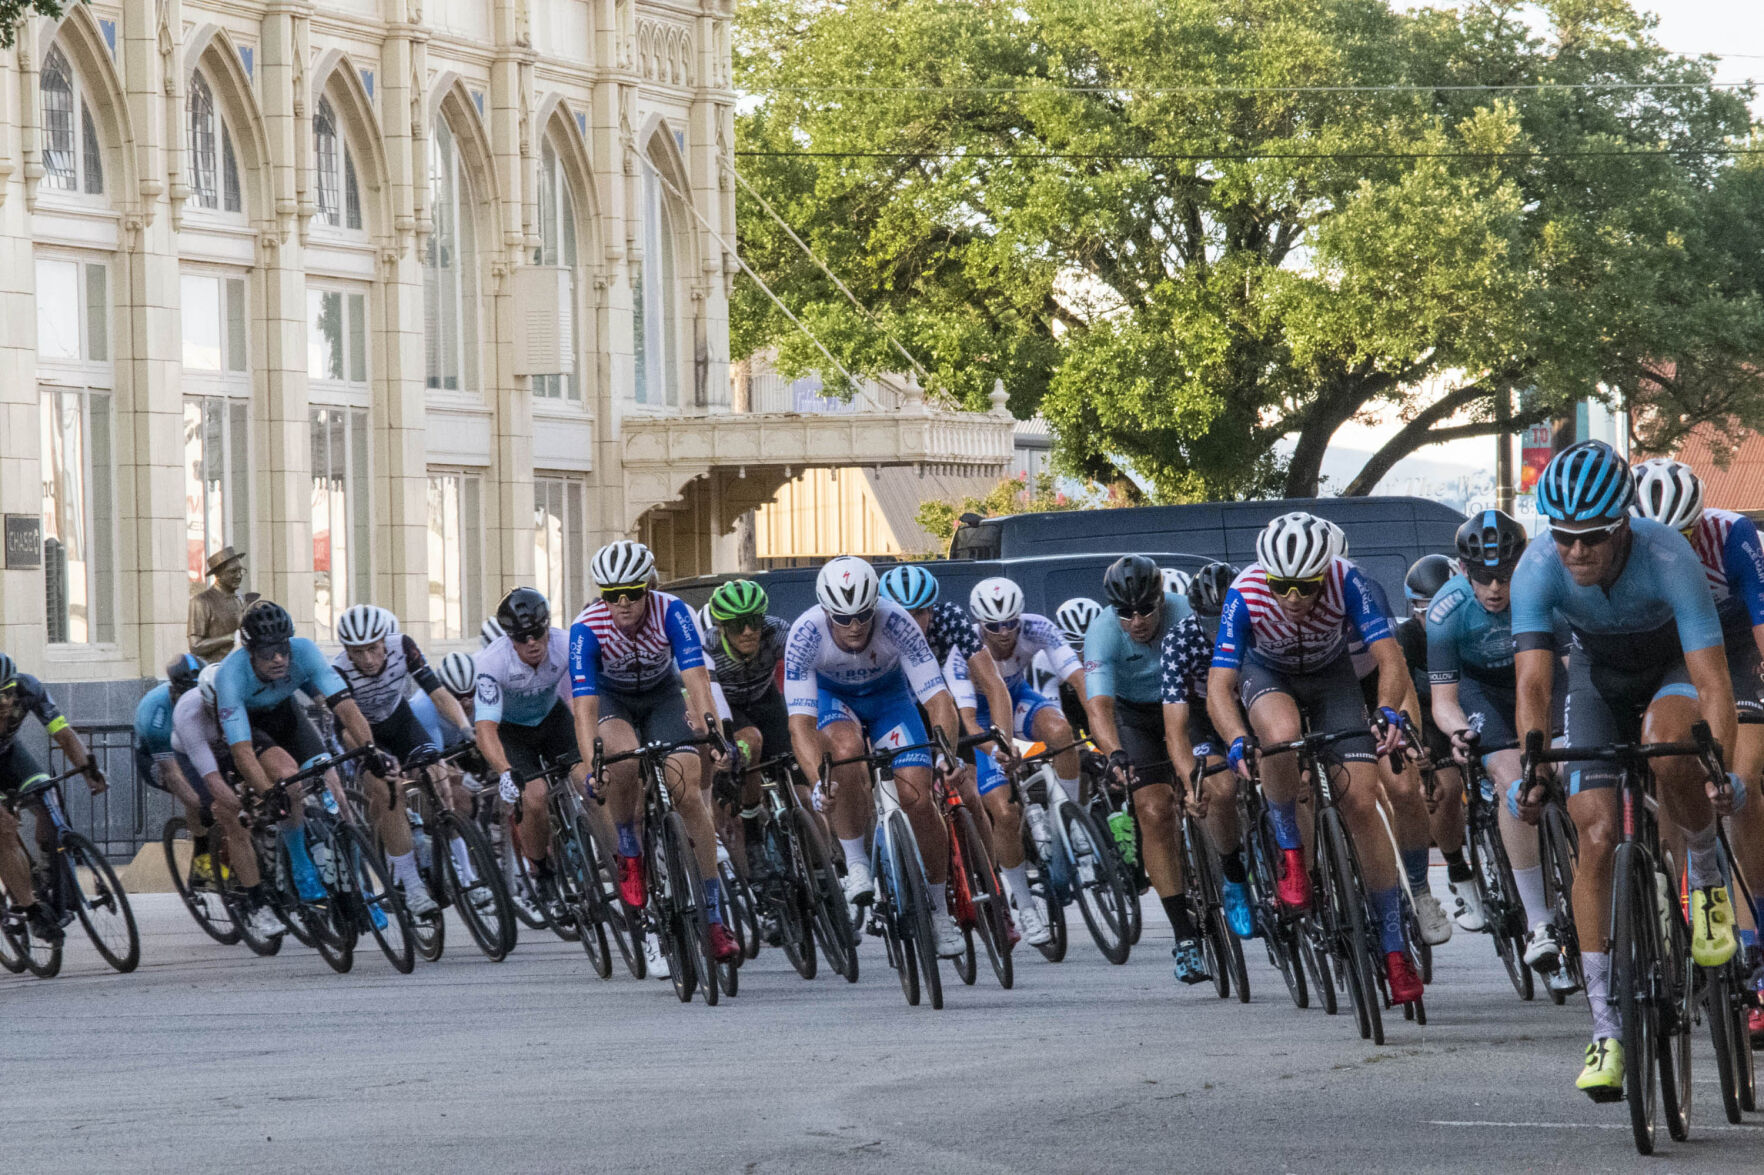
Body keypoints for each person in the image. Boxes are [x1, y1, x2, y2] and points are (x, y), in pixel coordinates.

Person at [1510, 440, 1741, 1100]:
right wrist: (1532, 762)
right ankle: (1607, 1028)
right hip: (1597, 678)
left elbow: (1713, 680)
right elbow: (1533, 682)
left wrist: (1715, 764)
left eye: (1592, 538)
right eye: (1564, 538)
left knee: (1670, 742)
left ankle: (1706, 874)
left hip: (1671, 670)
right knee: (1597, 835)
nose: (1576, 552)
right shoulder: (1537, 568)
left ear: (1623, 525)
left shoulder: (1669, 554)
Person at [1205, 513, 1425, 1005]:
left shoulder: (1352, 582)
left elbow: (1391, 660)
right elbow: (1220, 686)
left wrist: (1387, 709)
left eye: (1306, 586)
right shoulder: (1245, 592)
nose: (1294, 598)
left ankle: (1393, 947)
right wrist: (1238, 737)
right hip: (1268, 676)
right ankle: (1290, 850)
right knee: (1280, 735)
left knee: (1362, 805)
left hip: (1332, 677)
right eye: (1283, 586)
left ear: (1326, 571)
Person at [1630, 457, 1764, 1032]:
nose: (1674, 546)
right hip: (1661, 653)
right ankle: (1667, 912)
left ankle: (1755, 948)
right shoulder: (1618, 547)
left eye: (1683, 533)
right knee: (1663, 766)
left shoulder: (1732, 533)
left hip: (1732, 647)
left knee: (1741, 783)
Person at [786, 556, 969, 958]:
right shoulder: (805, 634)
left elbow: (938, 699)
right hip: (834, 700)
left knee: (920, 802)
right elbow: (800, 724)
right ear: (826, 611)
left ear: (875, 606)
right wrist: (818, 781)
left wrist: (947, 756)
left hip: (890, 700)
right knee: (847, 752)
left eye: (863, 615)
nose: (854, 626)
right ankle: (856, 864)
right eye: (843, 617)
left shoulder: (897, 621)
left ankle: (939, 911)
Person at [568, 541, 739, 964]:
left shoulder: (672, 611)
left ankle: (715, 920)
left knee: (686, 784)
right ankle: (629, 847)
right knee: (622, 760)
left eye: (632, 592)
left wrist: (714, 734)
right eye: (612, 595)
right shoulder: (587, 628)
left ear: (648, 586)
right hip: (614, 702)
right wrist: (594, 769)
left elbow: (697, 681)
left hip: (662, 697)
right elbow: (585, 709)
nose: (622, 604)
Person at [1427, 510, 1574, 989]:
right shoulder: (1446, 611)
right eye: (1483, 577)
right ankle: (1540, 922)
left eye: (1505, 576)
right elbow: (1444, 702)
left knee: (1573, 770)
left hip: (1543, 679)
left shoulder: (1548, 593)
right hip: (1482, 693)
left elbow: (1574, 673)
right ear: (1464, 570)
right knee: (1516, 779)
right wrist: (1458, 733)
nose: (1494, 588)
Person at [1083, 554, 1223, 986]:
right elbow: (1100, 709)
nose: (1137, 620)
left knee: (1216, 783)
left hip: (1189, 703)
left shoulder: (1186, 613)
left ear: (1163, 598)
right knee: (1154, 809)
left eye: (1146, 607)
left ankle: (1230, 863)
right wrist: (1113, 753)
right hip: (1136, 716)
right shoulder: (1103, 634)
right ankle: (1184, 937)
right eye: (1126, 611)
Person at [213, 600, 392, 905]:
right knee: (288, 781)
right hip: (252, 726)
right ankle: (300, 864)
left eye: (283, 648)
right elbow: (243, 753)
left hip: (287, 715)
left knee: (337, 795)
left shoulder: (305, 651)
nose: (279, 658)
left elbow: (347, 709)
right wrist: (269, 793)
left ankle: (359, 887)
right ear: (250, 651)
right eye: (268, 653)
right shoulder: (230, 675)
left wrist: (370, 750)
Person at [330, 604, 483, 914]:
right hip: (358, 731)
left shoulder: (403, 646)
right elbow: (348, 726)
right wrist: (374, 757)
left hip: (398, 720)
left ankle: (462, 873)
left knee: (439, 775)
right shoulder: (337, 671)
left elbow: (438, 693)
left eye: (373, 649)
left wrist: (466, 728)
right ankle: (412, 887)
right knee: (389, 792)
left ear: (384, 640)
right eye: (357, 652)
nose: (368, 659)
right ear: (347, 650)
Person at [965, 576, 1091, 947]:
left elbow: (1079, 678)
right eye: (993, 626)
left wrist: (1098, 718)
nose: (1004, 633)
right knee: (1004, 814)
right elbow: (967, 718)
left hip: (1018, 697)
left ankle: (1067, 816)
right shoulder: (965, 645)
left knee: (1060, 730)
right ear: (979, 623)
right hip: (977, 713)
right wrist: (995, 748)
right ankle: (1024, 906)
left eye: (1010, 623)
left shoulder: (1038, 627)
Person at [1158, 566, 1254, 941]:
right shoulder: (1179, 640)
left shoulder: (1258, 626)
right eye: (1209, 622)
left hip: (1250, 705)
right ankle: (1233, 875)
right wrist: (1189, 782)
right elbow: (1175, 727)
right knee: (1221, 790)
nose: (1218, 630)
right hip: (1202, 718)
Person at [1398, 553, 1481, 935]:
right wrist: (1419, 752)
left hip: (1475, 702)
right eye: (1422, 612)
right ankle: (1457, 868)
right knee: (1446, 790)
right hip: (1430, 714)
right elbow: (1405, 698)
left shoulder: (1473, 619)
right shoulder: (1408, 637)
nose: (1431, 620)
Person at [0, 652, 107, 944]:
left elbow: (63, 733)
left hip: (8, 755)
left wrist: (88, 769)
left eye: (7, 693)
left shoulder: (30, 688)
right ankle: (31, 910)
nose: (4, 703)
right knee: (5, 830)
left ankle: (49, 866)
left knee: (48, 793)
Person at [171, 665, 284, 940]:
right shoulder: (190, 714)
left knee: (273, 785)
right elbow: (212, 779)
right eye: (218, 709)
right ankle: (258, 905)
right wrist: (239, 807)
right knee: (231, 817)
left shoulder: (244, 697)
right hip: (197, 756)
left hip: (232, 745)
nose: (224, 715)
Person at [699, 580, 794, 880]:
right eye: (738, 625)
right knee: (750, 742)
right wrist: (722, 743)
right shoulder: (709, 645)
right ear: (722, 627)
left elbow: (806, 663)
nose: (749, 631)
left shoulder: (777, 631)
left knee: (802, 789)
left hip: (766, 701)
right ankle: (751, 831)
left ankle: (820, 867)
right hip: (728, 706)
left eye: (754, 622)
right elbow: (706, 698)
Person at [189, 546, 250, 661]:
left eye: (240, 570)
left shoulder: (240, 599)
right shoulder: (201, 601)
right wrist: (232, 637)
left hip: (241, 665)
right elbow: (195, 646)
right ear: (218, 575)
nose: (239, 576)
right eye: (232, 571)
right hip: (216, 670)